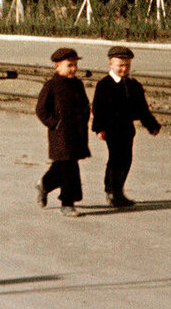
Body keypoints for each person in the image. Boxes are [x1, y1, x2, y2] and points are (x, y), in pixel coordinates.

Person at [92, 46, 160, 208]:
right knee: (115, 159)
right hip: (111, 129)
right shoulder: (104, 85)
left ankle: (119, 191)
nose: (124, 69)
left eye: (127, 65)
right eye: (120, 65)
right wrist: (99, 128)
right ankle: (111, 191)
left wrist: (152, 125)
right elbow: (98, 108)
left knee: (126, 160)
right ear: (110, 64)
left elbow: (142, 108)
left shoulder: (133, 85)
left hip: (127, 129)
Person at [35, 47, 91, 217]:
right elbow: (41, 109)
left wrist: (84, 119)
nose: (73, 69)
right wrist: (54, 124)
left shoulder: (78, 84)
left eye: (75, 65)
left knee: (62, 165)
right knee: (69, 167)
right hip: (60, 134)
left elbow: (85, 105)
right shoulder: (51, 85)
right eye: (69, 65)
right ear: (57, 67)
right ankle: (67, 203)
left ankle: (44, 184)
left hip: (77, 132)